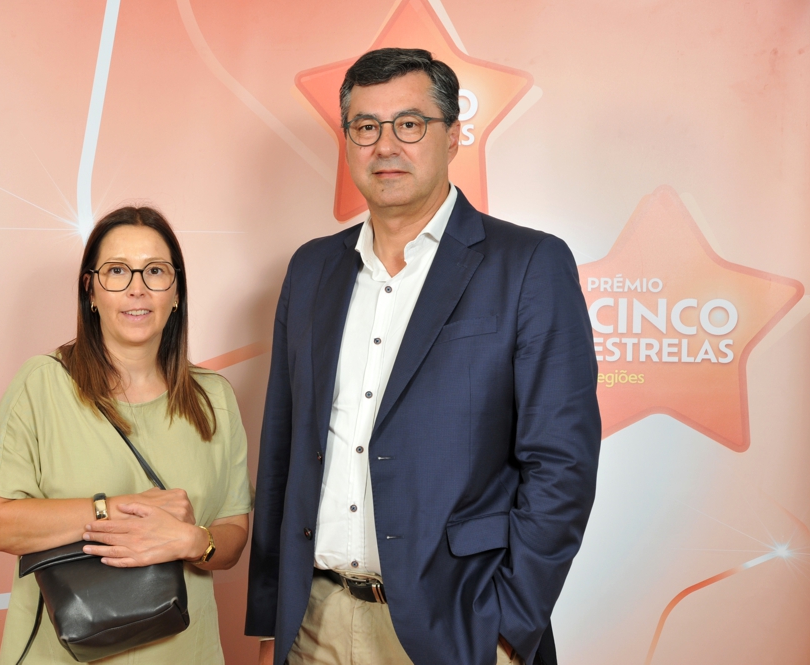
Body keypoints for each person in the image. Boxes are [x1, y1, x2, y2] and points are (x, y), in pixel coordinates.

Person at [245, 48, 601, 665]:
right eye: (366, 126)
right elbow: (283, 454)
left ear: (453, 134)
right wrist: (271, 619)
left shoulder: (527, 265)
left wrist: (508, 631)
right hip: (314, 624)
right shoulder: (311, 269)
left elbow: (561, 466)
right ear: (348, 141)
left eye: (409, 124)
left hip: (456, 626)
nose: (386, 146)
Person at [0, 206, 251, 665]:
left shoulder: (215, 397)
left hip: (186, 653)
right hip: (61, 655)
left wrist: (190, 540)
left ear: (177, 292)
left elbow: (234, 534)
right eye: (117, 271)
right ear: (91, 290)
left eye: (155, 271)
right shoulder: (42, 383)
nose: (137, 288)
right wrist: (119, 510)